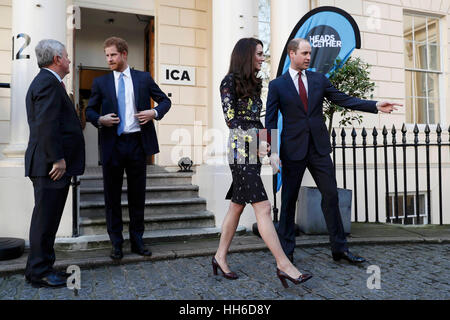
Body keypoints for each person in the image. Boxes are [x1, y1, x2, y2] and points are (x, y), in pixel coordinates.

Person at [265, 38, 401, 264]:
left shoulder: (319, 79)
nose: (309, 57)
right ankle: (286, 254)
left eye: (310, 53)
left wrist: (375, 105)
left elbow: (343, 100)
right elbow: (270, 120)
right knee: (288, 201)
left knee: (331, 196)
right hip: (292, 150)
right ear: (292, 53)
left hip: (319, 149)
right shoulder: (277, 85)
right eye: (305, 53)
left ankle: (340, 249)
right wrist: (272, 151)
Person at [213, 38, 312, 288]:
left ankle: (219, 257)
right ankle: (283, 264)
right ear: (247, 55)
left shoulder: (256, 84)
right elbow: (232, 121)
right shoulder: (229, 81)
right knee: (264, 207)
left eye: (263, 54)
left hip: (255, 151)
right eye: (259, 53)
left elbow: (260, 120)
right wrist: (255, 143)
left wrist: (272, 149)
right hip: (239, 151)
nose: (262, 57)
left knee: (237, 206)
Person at [86, 37, 171, 260]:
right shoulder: (100, 83)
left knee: (137, 195)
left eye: (113, 55)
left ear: (124, 54)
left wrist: (154, 113)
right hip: (112, 145)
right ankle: (116, 243)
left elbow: (165, 101)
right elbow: (89, 111)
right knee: (111, 196)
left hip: (136, 144)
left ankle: (137, 240)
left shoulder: (143, 78)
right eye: (107, 56)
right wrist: (100, 119)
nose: (109, 59)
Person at [24, 39, 85, 288]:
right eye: (67, 57)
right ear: (57, 59)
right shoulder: (47, 83)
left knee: (47, 220)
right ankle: (39, 272)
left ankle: (41, 267)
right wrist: (58, 159)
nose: (70, 61)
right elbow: (46, 125)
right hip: (50, 166)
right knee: (45, 221)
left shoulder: (48, 82)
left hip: (49, 164)